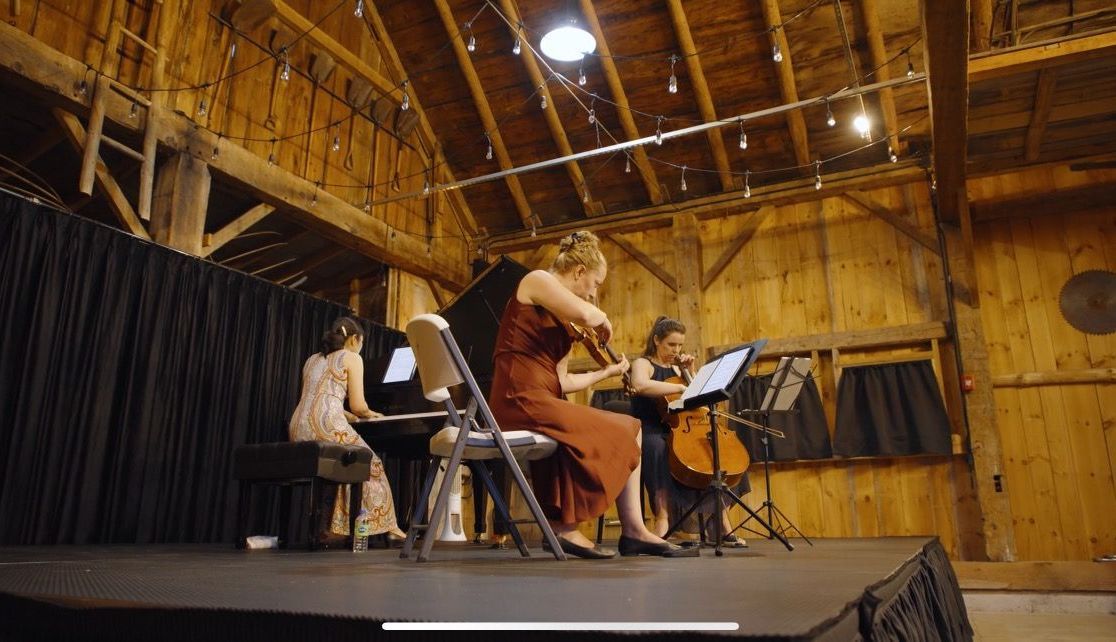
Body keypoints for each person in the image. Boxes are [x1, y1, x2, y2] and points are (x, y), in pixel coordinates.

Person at [487, 231, 696, 559]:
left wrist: (606, 373)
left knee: (628, 427)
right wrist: (602, 320)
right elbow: (589, 315)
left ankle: (629, 531)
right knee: (629, 428)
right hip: (517, 397)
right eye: (596, 284)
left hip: (543, 398)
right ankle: (605, 530)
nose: (594, 294)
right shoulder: (537, 280)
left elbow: (562, 380)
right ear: (580, 272)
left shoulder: (565, 322)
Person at [629, 317, 747, 547]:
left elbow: (700, 397)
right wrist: (680, 386)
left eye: (680, 345)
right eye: (671, 345)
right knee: (658, 448)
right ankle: (662, 519)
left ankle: (721, 524)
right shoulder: (643, 363)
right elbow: (640, 385)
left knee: (718, 453)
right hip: (651, 428)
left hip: (683, 426)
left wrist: (689, 372)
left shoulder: (678, 367)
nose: (676, 350)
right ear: (656, 340)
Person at [289, 316, 406, 542]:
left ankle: (334, 529)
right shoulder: (351, 357)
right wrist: (368, 413)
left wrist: (348, 415)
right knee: (371, 464)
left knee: (344, 463)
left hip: (298, 427)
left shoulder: (311, 360)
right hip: (326, 426)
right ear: (355, 339)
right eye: (361, 342)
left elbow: (317, 397)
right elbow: (359, 405)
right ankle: (386, 526)